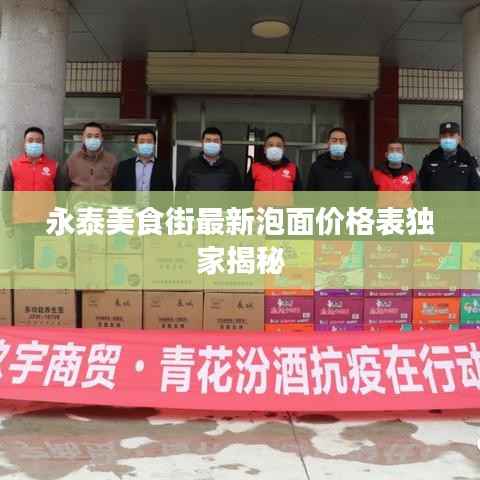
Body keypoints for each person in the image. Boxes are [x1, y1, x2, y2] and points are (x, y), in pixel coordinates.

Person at [2, 127, 62, 268]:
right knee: (25, 265)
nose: (34, 143)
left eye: (38, 141)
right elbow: (6, 197)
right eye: (30, 140)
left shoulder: (54, 166)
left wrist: (59, 222)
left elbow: (61, 197)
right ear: (24, 143)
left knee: (46, 265)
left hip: (47, 224)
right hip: (22, 225)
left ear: (43, 144)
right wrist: (8, 223)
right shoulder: (13, 166)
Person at [419, 122, 480, 191]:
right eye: (444, 136)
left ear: (459, 138)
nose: (447, 139)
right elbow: (421, 188)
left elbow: (477, 188)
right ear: (439, 139)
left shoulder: (468, 160)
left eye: (452, 135)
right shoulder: (430, 159)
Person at [176, 127, 242, 191]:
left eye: (216, 141)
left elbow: (239, 194)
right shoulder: (190, 165)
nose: (212, 143)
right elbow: (180, 193)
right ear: (202, 143)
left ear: (221, 144)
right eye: (208, 140)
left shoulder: (231, 167)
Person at [307, 127, 373, 190]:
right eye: (334, 140)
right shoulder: (317, 167)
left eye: (341, 141)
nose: (338, 143)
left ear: (346, 144)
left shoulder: (357, 167)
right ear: (328, 143)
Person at [63, 122, 117, 191]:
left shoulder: (111, 160)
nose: (93, 139)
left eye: (96, 136)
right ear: (83, 138)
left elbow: (117, 185)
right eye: (89, 136)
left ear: (102, 139)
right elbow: (64, 186)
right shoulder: (72, 160)